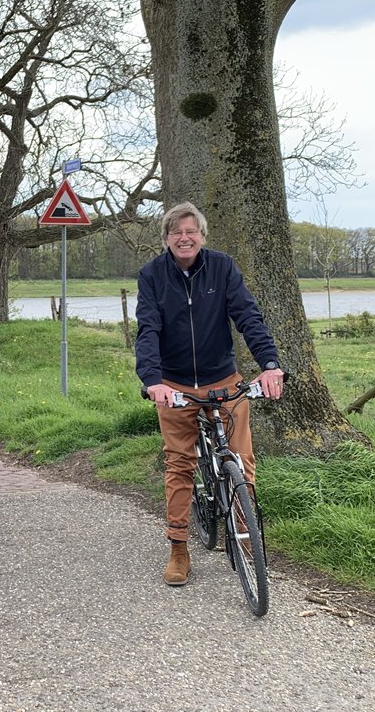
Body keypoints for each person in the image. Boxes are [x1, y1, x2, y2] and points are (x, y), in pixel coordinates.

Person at [134, 201, 284, 586]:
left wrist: (269, 365)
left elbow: (248, 317)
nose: (184, 238)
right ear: (167, 239)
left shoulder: (222, 266)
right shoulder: (152, 275)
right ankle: (179, 547)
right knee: (179, 464)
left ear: (202, 236)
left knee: (242, 459)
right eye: (176, 232)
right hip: (175, 383)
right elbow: (148, 329)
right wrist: (153, 381)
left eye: (191, 231)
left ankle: (245, 535)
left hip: (223, 379)